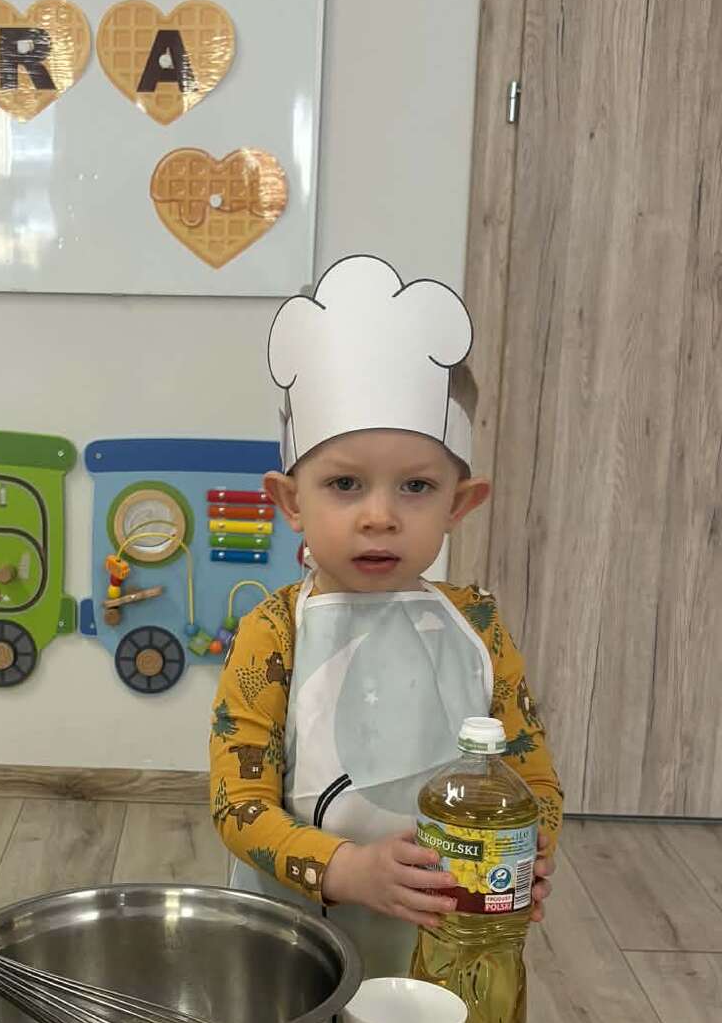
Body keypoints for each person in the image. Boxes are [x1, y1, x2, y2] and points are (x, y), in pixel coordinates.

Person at [208, 254, 563, 978]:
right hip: (291, 938)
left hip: (441, 939)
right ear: (291, 501)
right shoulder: (274, 632)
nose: (380, 517)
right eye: (345, 484)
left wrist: (529, 847)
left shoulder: (479, 628)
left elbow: (533, 779)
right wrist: (346, 869)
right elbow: (238, 804)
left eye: (416, 487)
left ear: (460, 503)